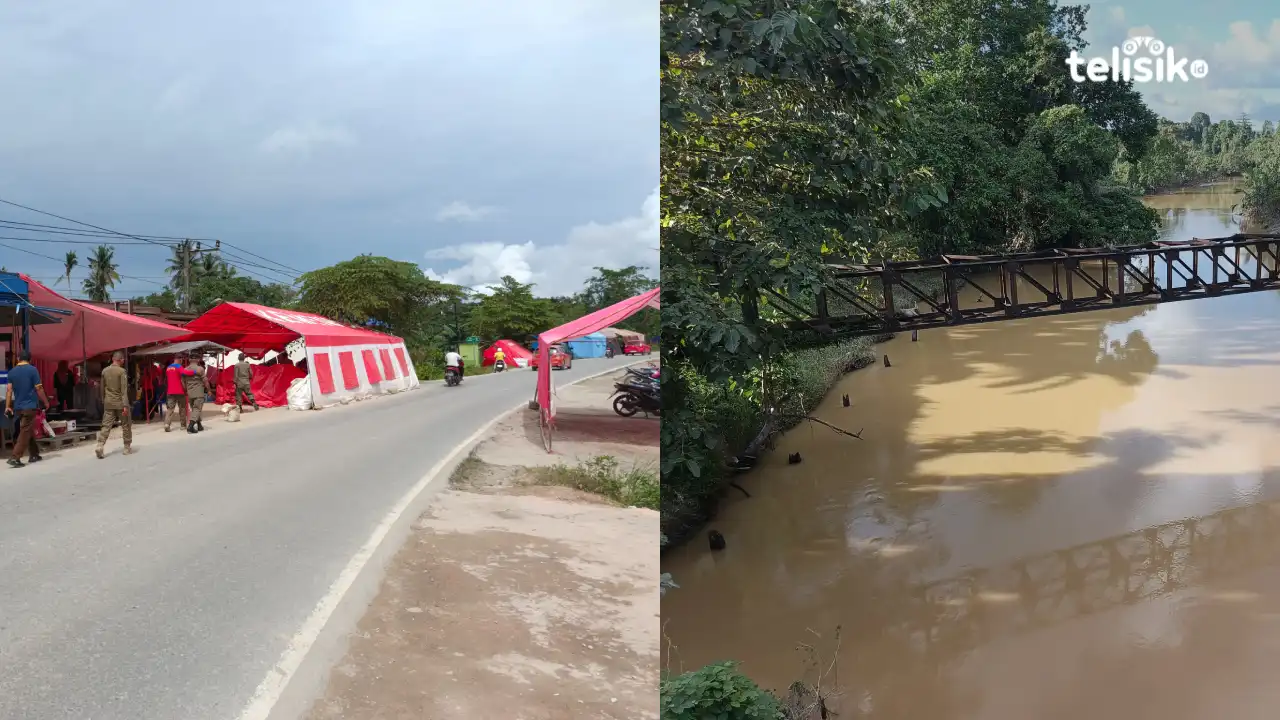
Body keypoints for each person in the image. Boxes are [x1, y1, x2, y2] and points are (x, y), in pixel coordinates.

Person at [5, 350, 48, 468]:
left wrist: (7, 406)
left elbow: (9, 391)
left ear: (18, 358)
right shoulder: (33, 370)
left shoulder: (12, 372)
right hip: (30, 406)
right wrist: (46, 402)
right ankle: (15, 457)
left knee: (27, 428)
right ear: (30, 359)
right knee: (25, 431)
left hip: (18, 407)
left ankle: (34, 454)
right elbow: (39, 389)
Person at [95, 351, 132, 458]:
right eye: (123, 359)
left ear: (112, 359)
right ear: (121, 360)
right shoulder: (122, 372)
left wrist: (103, 400)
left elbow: (102, 388)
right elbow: (124, 390)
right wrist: (125, 405)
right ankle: (126, 447)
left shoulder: (105, 371)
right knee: (126, 425)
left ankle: (100, 445)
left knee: (106, 425)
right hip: (120, 403)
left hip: (108, 403)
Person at [164, 354, 195, 432]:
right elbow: (186, 373)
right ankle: (183, 425)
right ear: (180, 359)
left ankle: (167, 424)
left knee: (170, 408)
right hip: (179, 391)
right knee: (182, 408)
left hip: (170, 391)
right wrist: (194, 371)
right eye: (181, 360)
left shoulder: (168, 368)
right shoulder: (178, 366)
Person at [184, 356, 209, 433]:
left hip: (190, 392)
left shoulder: (185, 369)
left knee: (194, 409)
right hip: (198, 392)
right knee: (197, 409)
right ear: (197, 360)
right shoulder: (200, 369)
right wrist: (209, 390)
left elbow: (182, 381)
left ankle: (199, 425)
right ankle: (190, 426)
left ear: (189, 360)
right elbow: (205, 381)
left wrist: (185, 389)